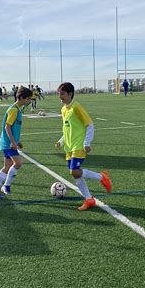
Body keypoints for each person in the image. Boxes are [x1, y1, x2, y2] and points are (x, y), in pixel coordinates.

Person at [54, 82, 112, 211]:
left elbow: (90, 124)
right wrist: (61, 141)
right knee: (76, 175)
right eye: (59, 94)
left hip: (78, 145)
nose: (60, 97)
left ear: (70, 94)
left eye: (62, 94)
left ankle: (102, 177)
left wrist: (87, 143)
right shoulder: (64, 109)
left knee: (74, 171)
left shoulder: (76, 107)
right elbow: (67, 128)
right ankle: (89, 199)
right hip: (69, 147)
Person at [0, 86, 33, 199]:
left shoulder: (17, 109)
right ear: (22, 98)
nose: (29, 101)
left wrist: (18, 141)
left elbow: (13, 128)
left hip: (8, 143)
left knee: (7, 167)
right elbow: (7, 127)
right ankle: (6, 186)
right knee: (18, 163)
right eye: (28, 98)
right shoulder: (13, 110)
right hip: (8, 144)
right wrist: (13, 142)